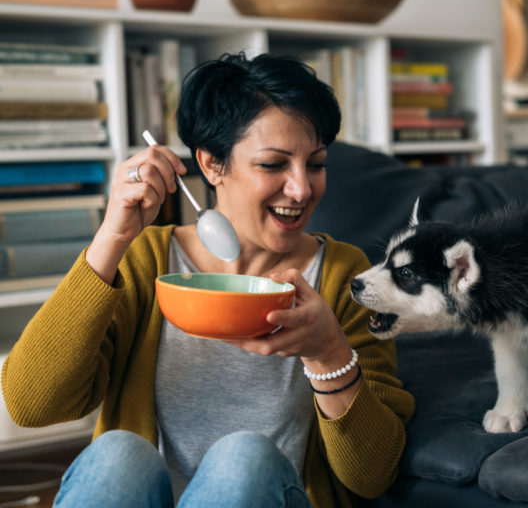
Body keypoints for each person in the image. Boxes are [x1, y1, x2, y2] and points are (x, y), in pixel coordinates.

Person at [1, 53, 415, 507]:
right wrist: (112, 238)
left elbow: (372, 476)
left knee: (245, 457)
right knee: (118, 453)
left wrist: (328, 351)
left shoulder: (340, 276)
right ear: (212, 165)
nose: (301, 189)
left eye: (314, 164)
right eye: (274, 165)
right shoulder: (149, 259)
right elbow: (30, 404)